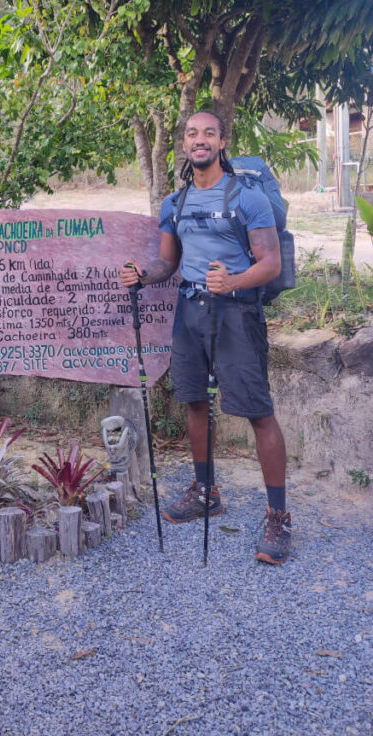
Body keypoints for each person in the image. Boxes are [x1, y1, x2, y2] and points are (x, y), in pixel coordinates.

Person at [119, 110, 291, 565]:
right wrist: (142, 275)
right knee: (195, 401)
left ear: (222, 141)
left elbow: (269, 263)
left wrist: (232, 282)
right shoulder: (174, 203)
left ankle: (279, 516)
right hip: (190, 313)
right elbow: (167, 264)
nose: (200, 140)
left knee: (258, 411)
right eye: (192, 133)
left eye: (208, 133)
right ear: (184, 143)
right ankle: (206, 492)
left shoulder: (247, 197)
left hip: (236, 314)